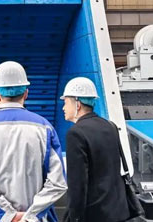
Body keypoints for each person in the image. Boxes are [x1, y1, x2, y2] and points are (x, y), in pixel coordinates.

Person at [0, 61, 67, 222]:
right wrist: (30, 215)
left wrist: (9, 215)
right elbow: (58, 183)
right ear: (26, 93)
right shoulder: (45, 128)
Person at [61, 77, 129, 222]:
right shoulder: (110, 126)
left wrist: (74, 217)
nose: (63, 108)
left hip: (93, 214)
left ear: (77, 104)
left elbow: (77, 183)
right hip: (117, 211)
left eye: (65, 102)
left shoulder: (75, 133)